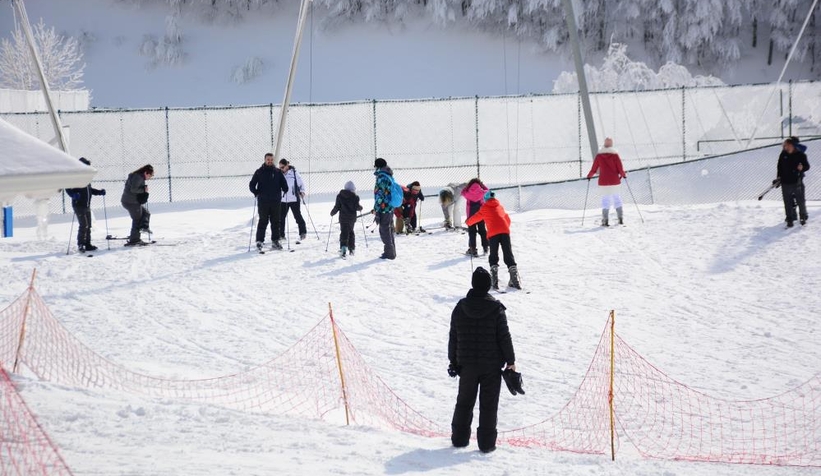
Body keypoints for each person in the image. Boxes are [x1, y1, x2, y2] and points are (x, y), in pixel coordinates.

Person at [448, 267, 516, 454]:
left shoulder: (460, 307)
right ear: (487, 286)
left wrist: (453, 361)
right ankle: (486, 444)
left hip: (467, 366)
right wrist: (511, 361)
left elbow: (454, 336)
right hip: (491, 366)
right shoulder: (496, 308)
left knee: (464, 402)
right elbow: (504, 336)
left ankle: (459, 438)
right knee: (488, 405)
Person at [465, 190, 521, 290]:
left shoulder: (484, 208)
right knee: (508, 254)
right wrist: (504, 228)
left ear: (485, 199)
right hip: (505, 232)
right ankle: (514, 278)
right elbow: (507, 219)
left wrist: (468, 222)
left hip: (493, 234)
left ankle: (494, 281)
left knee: (493, 255)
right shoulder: (500, 206)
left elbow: (476, 218)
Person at [249, 153, 289, 251]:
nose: (270, 161)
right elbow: (252, 184)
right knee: (263, 221)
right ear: (265, 160)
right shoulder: (259, 172)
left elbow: (284, 184)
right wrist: (256, 192)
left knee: (276, 222)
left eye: (271, 159)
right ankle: (259, 241)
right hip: (263, 201)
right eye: (268, 159)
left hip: (276, 201)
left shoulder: (278, 172)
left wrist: (285, 189)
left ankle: (275, 241)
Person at [66, 157, 105, 252]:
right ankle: (81, 244)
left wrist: (99, 192)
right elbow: (67, 188)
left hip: (87, 205)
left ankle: (87, 244)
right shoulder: (75, 177)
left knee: (89, 226)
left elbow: (89, 190)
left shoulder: (86, 178)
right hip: (78, 205)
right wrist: (73, 195)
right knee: (84, 225)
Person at [586, 137, 627, 227]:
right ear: (612, 145)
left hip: (603, 182)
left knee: (605, 199)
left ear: (604, 144)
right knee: (617, 198)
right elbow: (620, 168)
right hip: (615, 181)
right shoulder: (615, 155)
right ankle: (620, 218)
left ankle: (605, 220)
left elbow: (594, 169)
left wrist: (589, 176)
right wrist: (624, 175)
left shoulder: (599, 156)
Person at [776, 137, 810, 227]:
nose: (785, 147)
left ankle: (803, 216)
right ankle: (790, 219)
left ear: (792, 145)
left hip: (797, 182)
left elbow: (807, 166)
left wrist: (802, 168)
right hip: (785, 182)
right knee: (787, 202)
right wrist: (778, 178)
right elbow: (779, 167)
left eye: (786, 145)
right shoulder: (783, 154)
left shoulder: (801, 155)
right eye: (784, 145)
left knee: (800, 201)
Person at [121, 164, 154, 246]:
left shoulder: (138, 177)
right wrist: (144, 190)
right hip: (131, 202)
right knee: (137, 219)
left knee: (146, 213)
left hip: (131, 201)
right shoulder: (138, 177)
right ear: (146, 173)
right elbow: (134, 189)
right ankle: (134, 239)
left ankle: (143, 228)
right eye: (150, 175)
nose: (150, 178)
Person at [372, 157, 396, 260]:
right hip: (390, 207)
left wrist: (376, 208)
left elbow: (380, 196)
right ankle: (392, 252)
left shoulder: (382, 177)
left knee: (384, 230)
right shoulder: (389, 175)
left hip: (384, 208)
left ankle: (389, 253)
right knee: (389, 229)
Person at [330, 181, 363, 258]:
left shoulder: (339, 196)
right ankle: (351, 249)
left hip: (343, 218)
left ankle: (343, 247)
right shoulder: (355, 197)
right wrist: (360, 208)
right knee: (351, 232)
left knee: (344, 232)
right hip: (351, 219)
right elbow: (357, 207)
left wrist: (332, 212)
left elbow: (337, 207)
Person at [278, 158, 308, 241]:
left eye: (282, 167)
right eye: (280, 167)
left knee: (297, 216)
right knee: (281, 217)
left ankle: (303, 232)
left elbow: (301, 183)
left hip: (294, 198)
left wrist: (302, 191)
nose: (281, 169)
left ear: (287, 166)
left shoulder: (294, 173)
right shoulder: (279, 173)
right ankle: (281, 235)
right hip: (283, 199)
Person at [461, 178, 489, 257]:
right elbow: (488, 190)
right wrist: (482, 185)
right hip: (481, 215)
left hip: (471, 216)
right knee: (483, 231)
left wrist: (467, 187)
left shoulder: (467, 193)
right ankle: (485, 247)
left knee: (472, 233)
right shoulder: (482, 192)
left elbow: (462, 192)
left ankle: (473, 249)